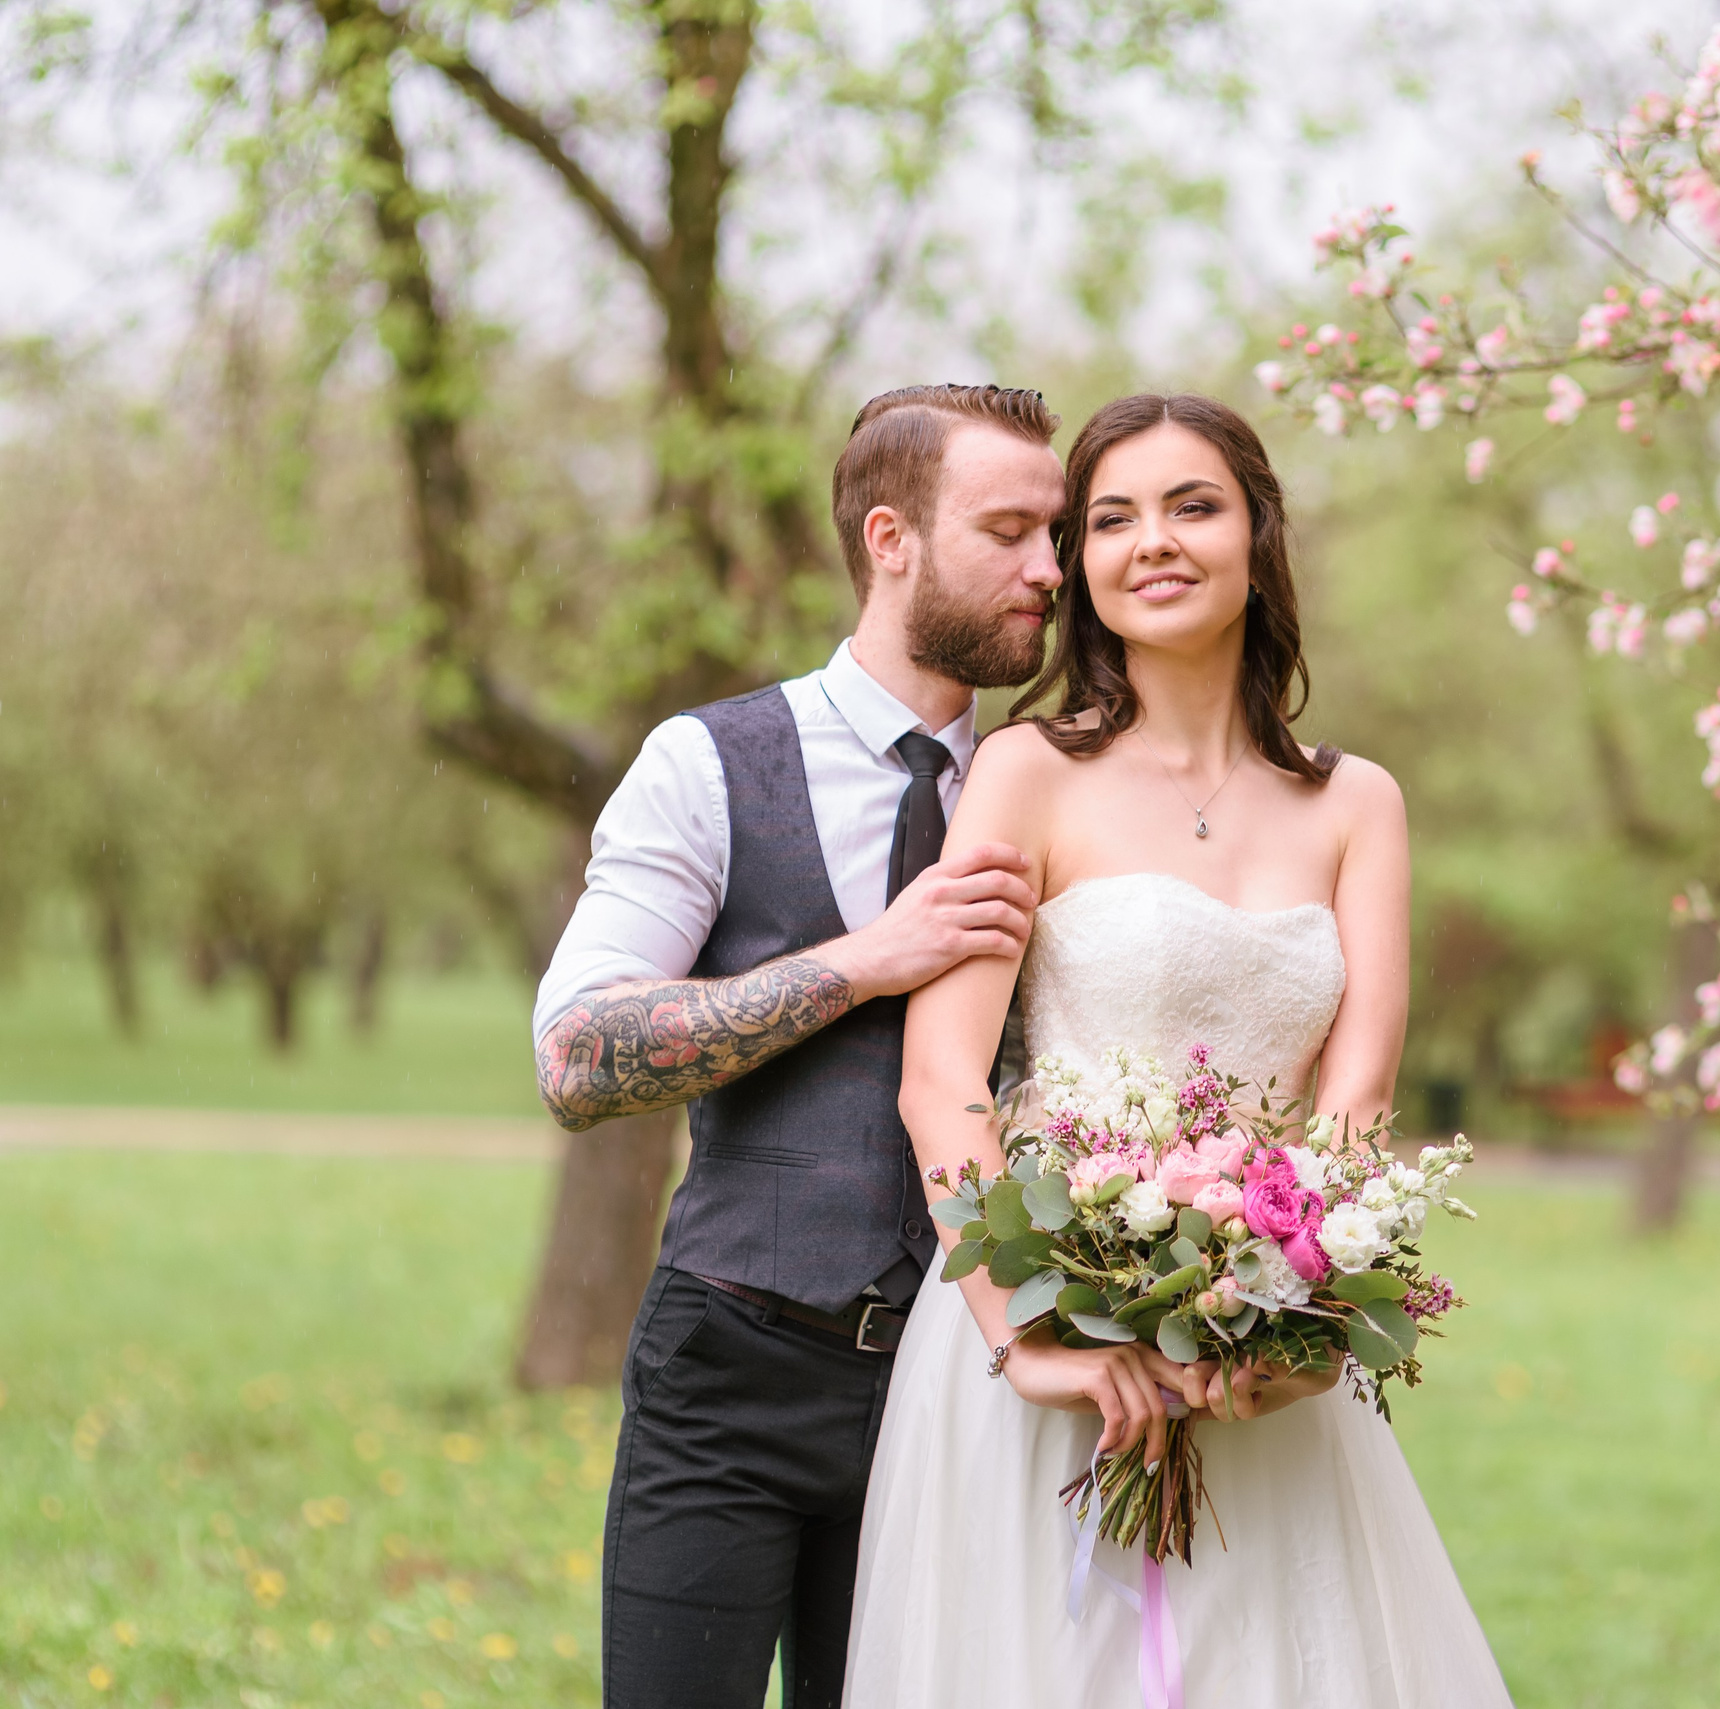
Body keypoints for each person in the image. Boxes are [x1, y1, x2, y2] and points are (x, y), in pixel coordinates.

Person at [845, 394, 1513, 1705]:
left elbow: (1356, 1098)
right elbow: (943, 1084)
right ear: (1081, 565)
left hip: (1259, 1351)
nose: (1153, 541)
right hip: (1040, 1326)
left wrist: (1295, 1318)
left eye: (1192, 505)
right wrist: (1025, 1338)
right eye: (1111, 518)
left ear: (1257, 535)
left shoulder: (1356, 801)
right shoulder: (1028, 771)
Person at [529, 383, 1070, 1709]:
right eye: (1010, 531)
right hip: (731, 1377)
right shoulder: (705, 762)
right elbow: (577, 1057)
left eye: (1057, 536)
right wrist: (859, 960)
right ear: (892, 538)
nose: (1051, 572)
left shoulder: (1062, 789)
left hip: (961, 1396)